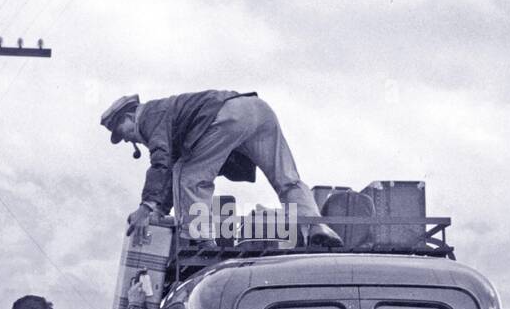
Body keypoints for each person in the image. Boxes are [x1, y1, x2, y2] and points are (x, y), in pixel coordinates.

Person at [100, 90, 343, 248]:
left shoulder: (150, 115)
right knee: (287, 178)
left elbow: (161, 163)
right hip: (259, 110)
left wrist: (146, 207)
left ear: (130, 115)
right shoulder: (168, 113)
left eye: (125, 132)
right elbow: (168, 171)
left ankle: (200, 241)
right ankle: (317, 226)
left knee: (190, 177)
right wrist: (160, 208)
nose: (131, 139)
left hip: (227, 116)